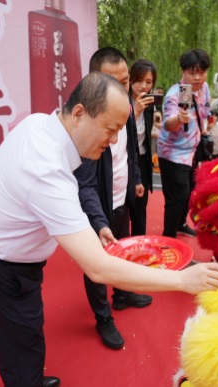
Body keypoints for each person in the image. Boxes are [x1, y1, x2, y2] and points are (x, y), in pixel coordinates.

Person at [0, 72, 218, 387]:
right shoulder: (43, 166)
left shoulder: (42, 125)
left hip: (14, 261)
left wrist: (93, 227)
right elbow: (98, 268)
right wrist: (181, 280)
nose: (114, 140)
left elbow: (61, 198)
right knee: (20, 344)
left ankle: (29, 376)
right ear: (79, 114)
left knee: (28, 335)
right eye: (111, 129)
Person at [74, 48, 151, 351]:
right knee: (97, 262)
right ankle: (102, 315)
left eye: (124, 82)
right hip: (97, 207)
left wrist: (137, 181)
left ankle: (121, 293)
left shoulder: (126, 109)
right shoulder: (89, 123)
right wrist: (98, 221)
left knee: (125, 249)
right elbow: (85, 184)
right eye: (113, 83)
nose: (121, 90)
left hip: (123, 198)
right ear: (94, 82)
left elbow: (131, 150)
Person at [158, 48, 212, 238]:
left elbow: (205, 112)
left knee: (190, 194)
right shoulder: (175, 94)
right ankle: (168, 238)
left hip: (193, 151)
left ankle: (180, 224)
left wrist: (205, 128)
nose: (197, 77)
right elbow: (169, 124)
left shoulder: (204, 89)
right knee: (177, 197)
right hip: (173, 154)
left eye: (202, 72)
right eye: (192, 72)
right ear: (183, 71)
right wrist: (179, 119)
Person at [129, 58, 157, 236]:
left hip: (142, 160)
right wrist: (134, 111)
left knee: (140, 211)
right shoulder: (119, 101)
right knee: (122, 208)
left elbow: (144, 134)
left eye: (148, 82)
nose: (143, 86)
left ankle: (139, 246)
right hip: (123, 160)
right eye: (139, 80)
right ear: (130, 80)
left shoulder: (149, 105)